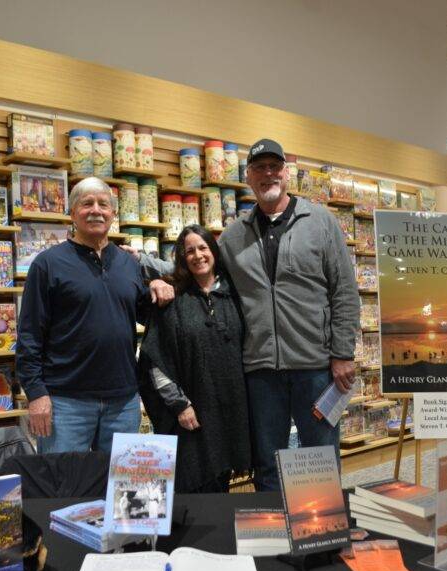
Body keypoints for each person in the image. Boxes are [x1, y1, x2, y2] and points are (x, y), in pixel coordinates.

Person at [135, 139, 360, 491]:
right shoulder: (236, 233)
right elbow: (199, 269)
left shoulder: (320, 222)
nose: (267, 174)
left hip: (314, 366)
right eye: (259, 168)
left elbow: (344, 290)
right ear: (249, 177)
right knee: (266, 463)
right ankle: (273, 544)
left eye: (274, 167)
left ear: (286, 173)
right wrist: (152, 275)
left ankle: (321, 543)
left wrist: (342, 352)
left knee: (319, 460)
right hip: (259, 372)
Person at [16, 177, 159, 454]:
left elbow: (147, 314)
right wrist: (36, 394)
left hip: (124, 400)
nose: (96, 210)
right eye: (87, 203)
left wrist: (159, 284)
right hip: (65, 402)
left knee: (122, 493)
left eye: (103, 204)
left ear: (113, 214)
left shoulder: (128, 263)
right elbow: (29, 334)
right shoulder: (48, 264)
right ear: (72, 213)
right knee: (64, 489)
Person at [138, 224, 251, 493]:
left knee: (222, 486)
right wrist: (179, 405)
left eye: (203, 248)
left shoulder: (234, 296)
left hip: (230, 411)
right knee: (194, 486)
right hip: (193, 413)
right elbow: (155, 359)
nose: (197, 255)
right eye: (189, 251)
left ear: (213, 251)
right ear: (181, 258)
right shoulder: (173, 300)